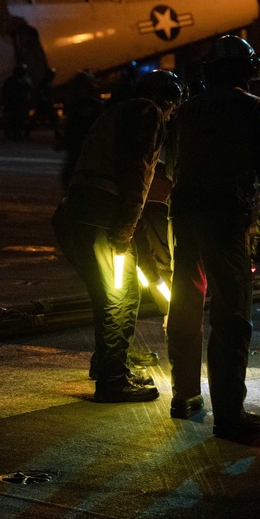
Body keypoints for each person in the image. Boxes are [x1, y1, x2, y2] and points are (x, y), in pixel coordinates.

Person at [164, 35, 260, 442]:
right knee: (231, 316)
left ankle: (184, 396)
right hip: (226, 220)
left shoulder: (186, 110)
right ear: (250, 71)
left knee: (185, 304)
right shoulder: (256, 111)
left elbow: (171, 168)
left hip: (184, 218)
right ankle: (229, 415)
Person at [51, 69, 185, 402]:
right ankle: (113, 379)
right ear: (168, 100)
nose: (170, 116)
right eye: (173, 109)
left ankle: (108, 365)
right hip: (101, 214)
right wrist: (124, 228)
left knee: (109, 295)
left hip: (77, 214)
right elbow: (136, 172)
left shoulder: (114, 113)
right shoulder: (147, 113)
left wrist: (144, 255)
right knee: (120, 298)